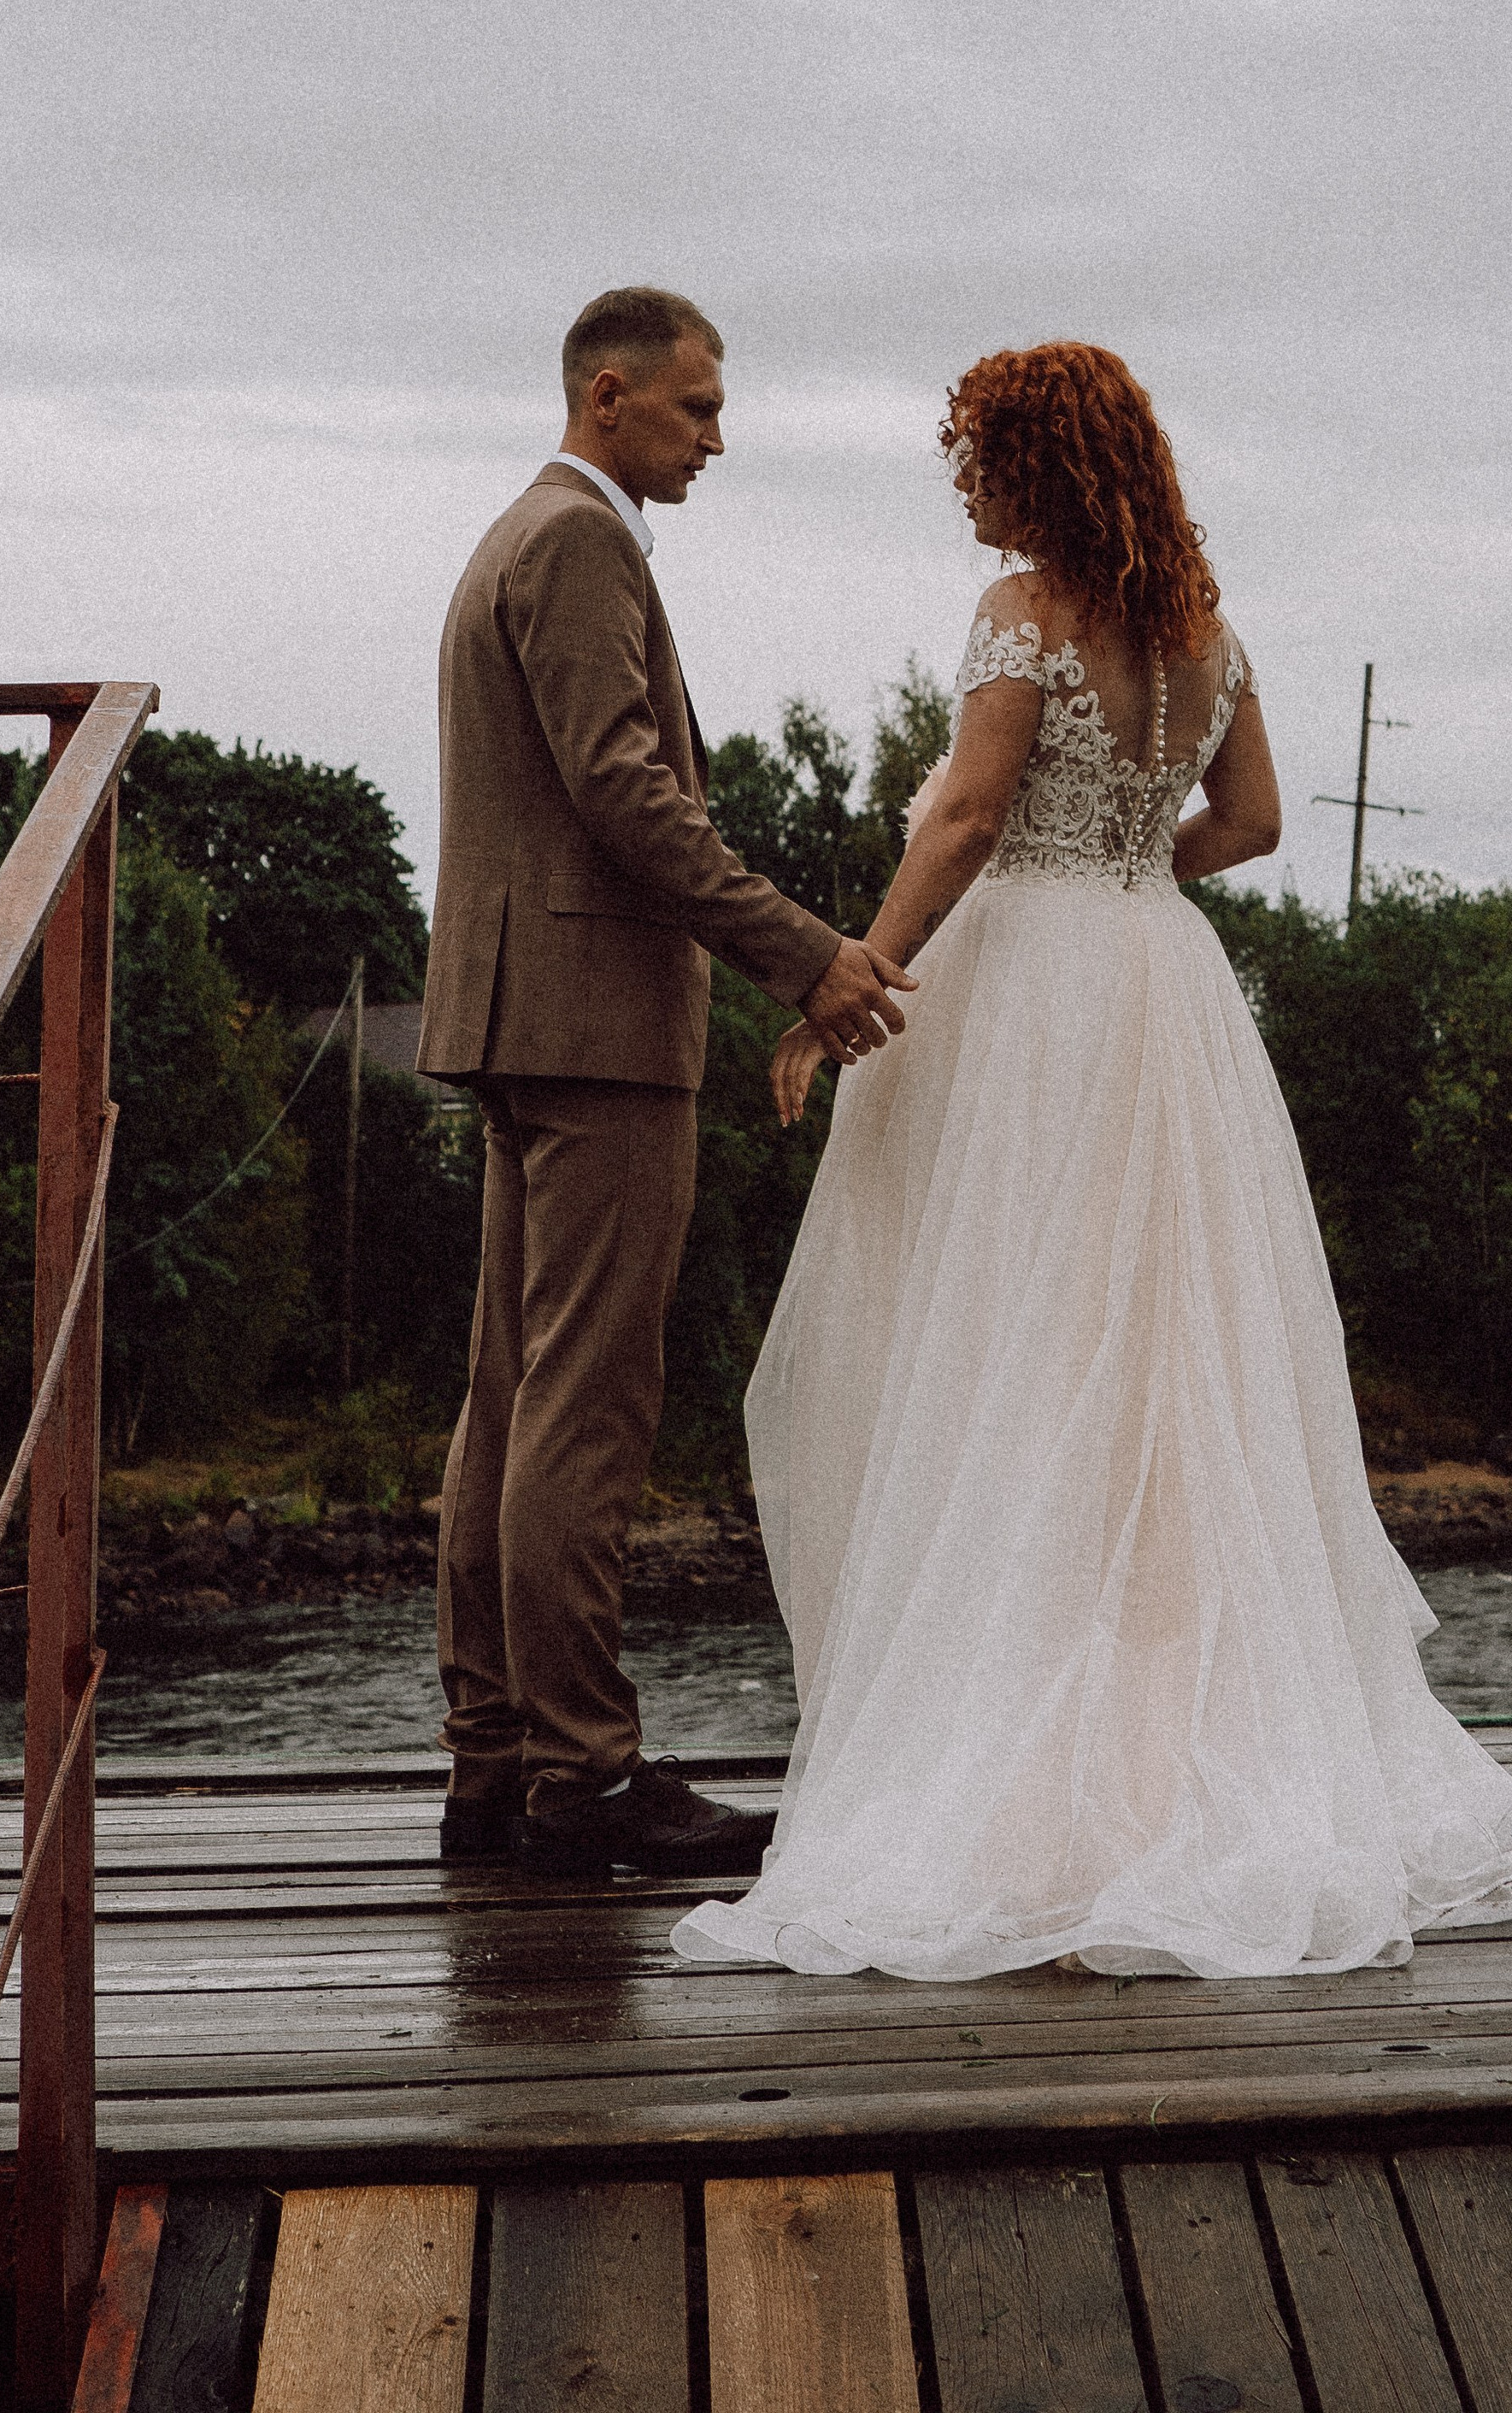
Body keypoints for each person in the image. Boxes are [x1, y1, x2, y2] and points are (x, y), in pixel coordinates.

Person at [674, 341, 1512, 1979]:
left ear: (1044, 466)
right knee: (1162, 1363)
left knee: (1003, 1348)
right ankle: (1175, 1752)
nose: (968, 488)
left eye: (982, 458)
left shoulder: (1026, 612)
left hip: (1031, 995)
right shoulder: (1204, 630)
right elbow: (1259, 821)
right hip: (1163, 978)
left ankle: (1029, 1778)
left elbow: (961, 815)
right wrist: (1137, 856)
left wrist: (848, 981)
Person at [418, 286, 917, 1874]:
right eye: (698, 407)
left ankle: (495, 1765)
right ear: (610, 394)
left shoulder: (514, 535)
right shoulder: (577, 541)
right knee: (586, 1404)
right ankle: (584, 1776)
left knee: (509, 1397)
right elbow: (623, 787)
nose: (719, 435)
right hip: (594, 1024)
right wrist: (804, 953)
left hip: (516, 1018)